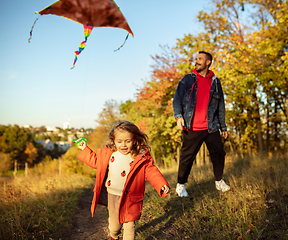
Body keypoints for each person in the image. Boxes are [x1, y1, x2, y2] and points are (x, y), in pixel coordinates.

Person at [75, 120, 170, 240]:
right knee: (114, 226)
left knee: (129, 225)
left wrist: (161, 184)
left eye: (127, 141)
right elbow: (95, 162)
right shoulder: (110, 154)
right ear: (114, 141)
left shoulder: (139, 157)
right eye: (119, 141)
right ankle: (114, 236)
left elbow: (151, 171)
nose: (123, 145)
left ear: (134, 140)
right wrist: (84, 148)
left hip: (131, 196)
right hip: (113, 195)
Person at [173, 51, 230, 197]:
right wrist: (179, 117)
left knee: (218, 154)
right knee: (187, 157)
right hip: (192, 126)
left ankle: (218, 180)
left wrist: (223, 126)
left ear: (208, 62)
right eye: (196, 59)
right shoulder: (188, 79)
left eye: (200, 59)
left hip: (211, 127)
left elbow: (221, 106)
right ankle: (181, 185)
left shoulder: (215, 82)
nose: (196, 61)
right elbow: (177, 99)